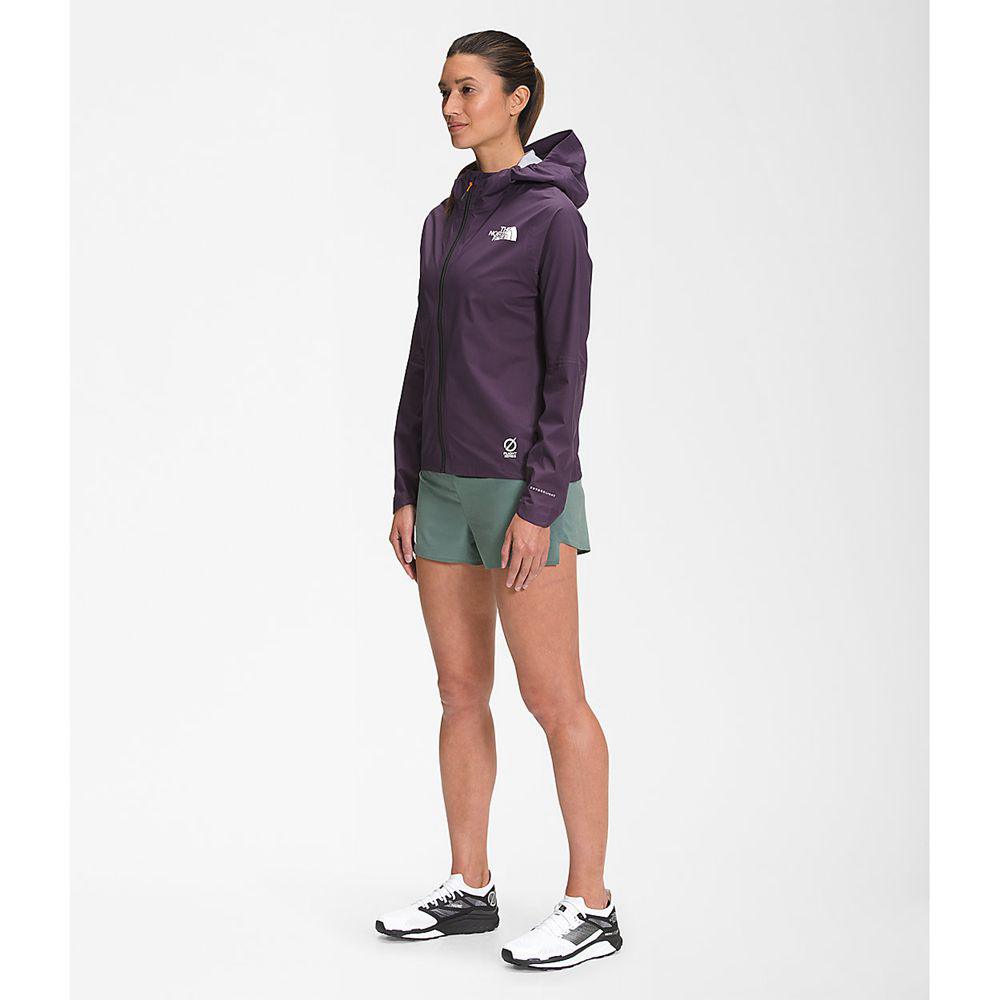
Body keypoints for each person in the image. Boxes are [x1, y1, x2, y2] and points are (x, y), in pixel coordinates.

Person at [379, 30, 620, 971]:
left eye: (467, 90)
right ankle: (469, 886)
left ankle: (591, 905)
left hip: (523, 491)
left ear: (518, 98)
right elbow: (422, 360)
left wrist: (541, 499)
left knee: (553, 697)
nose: (449, 107)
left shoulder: (553, 219)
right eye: (443, 91)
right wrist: (405, 485)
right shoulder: (442, 221)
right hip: (441, 487)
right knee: (458, 691)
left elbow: (569, 372)